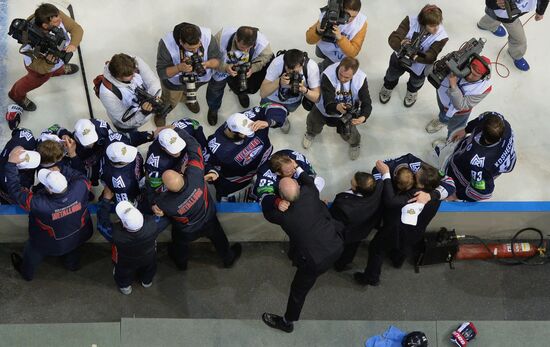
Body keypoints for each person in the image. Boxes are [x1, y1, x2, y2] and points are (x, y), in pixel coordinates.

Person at [261, 167, 344, 333]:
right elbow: (307, 180)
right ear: (299, 188)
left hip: (315, 261)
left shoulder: (281, 216)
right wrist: (296, 167)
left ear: (283, 198)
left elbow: (266, 208)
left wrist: (276, 202)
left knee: (298, 291)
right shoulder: (310, 193)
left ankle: (287, 322)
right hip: (336, 245)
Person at [151, 130, 241, 270]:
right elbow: (195, 147)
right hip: (209, 219)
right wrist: (178, 130)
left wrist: (153, 205)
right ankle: (228, 258)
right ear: (181, 174)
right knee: (220, 240)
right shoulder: (196, 174)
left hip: (186, 230)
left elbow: (152, 196)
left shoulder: (165, 202)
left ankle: (181, 265)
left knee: (179, 246)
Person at [7, 147, 93, 281]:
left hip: (46, 243)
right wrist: (62, 169)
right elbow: (81, 176)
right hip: (77, 236)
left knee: (31, 256)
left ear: (51, 191)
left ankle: (27, 274)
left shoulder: (40, 205)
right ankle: (72, 266)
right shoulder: (80, 187)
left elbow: (15, 191)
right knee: (72, 250)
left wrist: (11, 164)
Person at [354, 160, 441, 286]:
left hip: (394, 231)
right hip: (416, 232)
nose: (415, 172)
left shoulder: (413, 195)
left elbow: (390, 200)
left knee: (376, 249)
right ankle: (397, 262)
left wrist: (386, 174)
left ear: (421, 185)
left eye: (417, 174)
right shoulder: (435, 197)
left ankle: (371, 277)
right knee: (404, 247)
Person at [8, 3, 83, 111]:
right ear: (45, 25)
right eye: (57, 21)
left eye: (59, 17)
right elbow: (37, 67)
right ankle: (16, 95)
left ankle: (58, 70)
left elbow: (76, 28)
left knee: (55, 66)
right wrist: (48, 63)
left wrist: (73, 44)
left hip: (57, 59)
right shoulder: (29, 41)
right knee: (32, 81)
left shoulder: (54, 15)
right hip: (38, 69)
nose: (61, 20)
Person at [204, 105, 287, 201]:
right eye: (245, 133)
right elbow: (207, 162)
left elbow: (276, 108)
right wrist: (211, 171)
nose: (251, 133)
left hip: (266, 164)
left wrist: (268, 122)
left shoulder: (250, 116)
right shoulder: (215, 147)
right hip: (239, 180)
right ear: (232, 132)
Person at [302, 57, 372, 160]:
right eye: (340, 74)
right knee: (313, 122)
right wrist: (336, 107)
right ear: (339, 67)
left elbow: (367, 101)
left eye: (347, 77)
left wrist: (363, 116)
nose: (342, 79)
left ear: (354, 74)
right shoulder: (328, 75)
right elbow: (328, 102)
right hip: (323, 109)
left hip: (346, 114)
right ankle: (311, 133)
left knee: (350, 133)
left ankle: (354, 144)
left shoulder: (361, 78)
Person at [379, 4, 448, 107]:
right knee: (391, 74)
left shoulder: (442, 36)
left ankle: (412, 92)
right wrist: (401, 44)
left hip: (420, 65)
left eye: (437, 24)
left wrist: (415, 56)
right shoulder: (410, 21)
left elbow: (431, 56)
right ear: (423, 23)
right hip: (399, 58)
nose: (436, 29)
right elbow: (393, 39)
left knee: (416, 82)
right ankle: (388, 86)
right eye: (432, 26)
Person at [206, 26, 274, 125]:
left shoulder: (262, 43)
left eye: (249, 47)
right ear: (236, 39)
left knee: (241, 85)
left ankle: (241, 93)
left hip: (244, 69)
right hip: (222, 67)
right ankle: (213, 108)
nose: (246, 50)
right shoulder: (222, 37)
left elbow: (266, 57)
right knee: (215, 88)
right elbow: (211, 56)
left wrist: (253, 68)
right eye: (242, 47)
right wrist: (224, 67)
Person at [442, 112, 516, 201]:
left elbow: (482, 191)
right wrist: (466, 130)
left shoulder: (477, 162)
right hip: (499, 164)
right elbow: (485, 117)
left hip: (465, 174)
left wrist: (457, 195)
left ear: (482, 131)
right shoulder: (503, 125)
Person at [156, 22, 221, 121]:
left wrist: (207, 64)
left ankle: (188, 100)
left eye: (198, 46)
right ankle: (161, 114)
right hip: (175, 83)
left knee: (190, 92)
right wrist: (178, 68)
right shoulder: (166, 44)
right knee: (170, 101)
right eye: (190, 48)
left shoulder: (207, 37)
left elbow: (217, 61)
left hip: (199, 79)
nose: (195, 51)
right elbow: (161, 72)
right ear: (181, 42)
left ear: (200, 39)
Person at [103, 200, 169, 295]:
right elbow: (166, 218)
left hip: (126, 261)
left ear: (124, 224)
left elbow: (101, 224)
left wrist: (105, 202)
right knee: (149, 268)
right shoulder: (153, 224)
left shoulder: (115, 234)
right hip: (148, 256)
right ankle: (147, 281)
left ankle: (125, 287)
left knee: (123, 273)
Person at [425, 56, 493, 144]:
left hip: (459, 113)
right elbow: (429, 72)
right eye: (470, 70)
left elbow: (462, 105)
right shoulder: (460, 63)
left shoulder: (484, 89)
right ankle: (442, 121)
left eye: (475, 75)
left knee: (456, 130)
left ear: (483, 77)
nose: (469, 76)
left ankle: (450, 142)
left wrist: (453, 86)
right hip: (443, 99)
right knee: (443, 113)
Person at [330, 171, 383, 271]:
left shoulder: (342, 203)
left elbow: (333, 216)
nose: (351, 180)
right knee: (352, 249)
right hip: (362, 231)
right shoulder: (378, 191)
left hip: (348, 233)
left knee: (344, 249)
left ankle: (339, 265)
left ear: (356, 188)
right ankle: (344, 263)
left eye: (352, 181)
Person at [260, 49, 321, 133]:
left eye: (294, 71)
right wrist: (279, 82)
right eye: (288, 69)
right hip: (271, 98)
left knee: (287, 111)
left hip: (292, 102)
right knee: (266, 112)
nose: (290, 73)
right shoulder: (277, 63)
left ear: (302, 64)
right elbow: (263, 93)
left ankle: (284, 117)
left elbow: (317, 98)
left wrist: (304, 90)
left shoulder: (311, 67)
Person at [96, 53, 163, 130]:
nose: (134, 75)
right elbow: (126, 120)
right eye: (131, 75)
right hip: (127, 126)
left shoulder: (134, 62)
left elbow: (153, 82)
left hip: (142, 114)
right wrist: (143, 113)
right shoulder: (106, 94)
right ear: (118, 77)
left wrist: (153, 98)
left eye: (134, 71)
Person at [477, 0, 548, 71]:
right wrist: (495, 2)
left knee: (518, 38)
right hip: (499, 12)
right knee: (519, 39)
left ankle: (516, 55)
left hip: (513, 15)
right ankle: (485, 25)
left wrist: (540, 12)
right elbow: (489, 3)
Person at [144, 119, 207, 197]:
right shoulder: (155, 163)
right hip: (172, 173)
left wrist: (204, 148)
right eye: (172, 149)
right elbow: (156, 187)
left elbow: (196, 125)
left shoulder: (185, 127)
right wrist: (179, 176)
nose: (178, 151)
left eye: (178, 145)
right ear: (163, 148)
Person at [305, 0, 368, 72]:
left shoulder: (361, 24)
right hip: (323, 47)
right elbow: (309, 40)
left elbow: (353, 52)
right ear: (340, 10)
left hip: (340, 54)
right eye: (347, 15)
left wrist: (340, 39)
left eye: (353, 17)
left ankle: (322, 67)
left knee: (328, 69)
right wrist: (317, 31)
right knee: (319, 54)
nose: (349, 19)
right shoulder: (329, 13)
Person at [253, 149, 322, 204]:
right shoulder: (265, 176)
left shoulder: (297, 159)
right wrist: (278, 202)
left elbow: (311, 174)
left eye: (294, 167)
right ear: (278, 173)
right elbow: (264, 197)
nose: (294, 171)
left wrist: (307, 188)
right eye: (289, 172)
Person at [0, 128, 40, 204]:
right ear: (25, 169)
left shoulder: (26, 139)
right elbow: (16, 196)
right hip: (6, 191)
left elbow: (21, 131)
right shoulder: (22, 183)